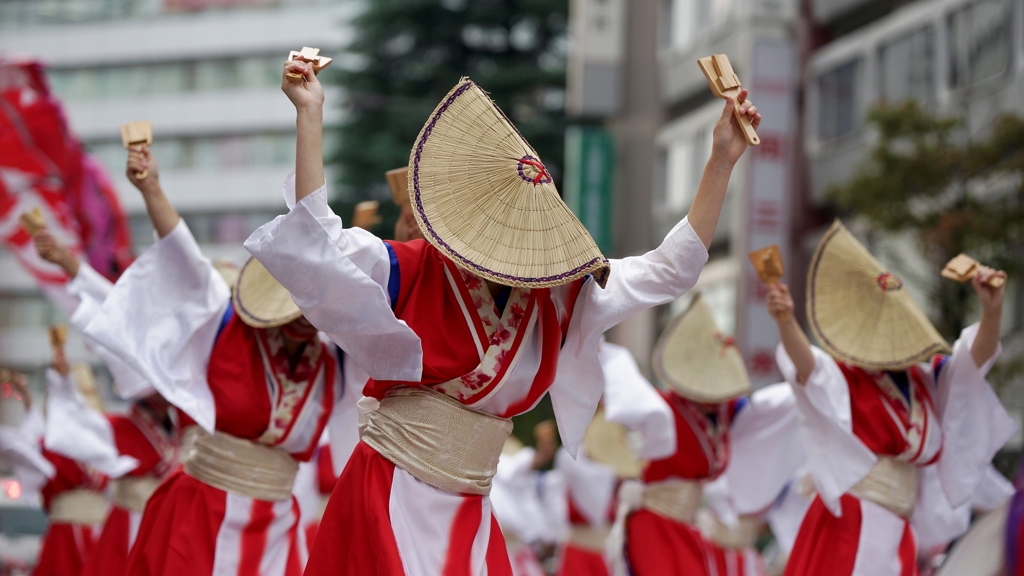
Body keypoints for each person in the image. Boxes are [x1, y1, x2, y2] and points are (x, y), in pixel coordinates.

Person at [243, 60, 760, 575]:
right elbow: (318, 243)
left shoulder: (561, 294)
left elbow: (669, 271)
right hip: (392, 491)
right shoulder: (414, 268)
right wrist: (309, 114)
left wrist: (721, 160)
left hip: (471, 507)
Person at [80, 141, 364, 576]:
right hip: (200, 512)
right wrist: (152, 189)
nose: (309, 317)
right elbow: (186, 265)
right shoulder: (226, 328)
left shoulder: (333, 362)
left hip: (276, 524)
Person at [766, 220, 1015, 576]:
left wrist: (992, 311)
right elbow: (808, 367)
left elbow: (971, 364)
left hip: (898, 525)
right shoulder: (845, 376)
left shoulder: (924, 381)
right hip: (852, 520)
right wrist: (786, 321)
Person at [609, 294, 802, 576]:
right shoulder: (662, 408)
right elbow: (619, 378)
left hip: (688, 527)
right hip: (655, 526)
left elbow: (776, 405)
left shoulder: (723, 413)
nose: (720, 395)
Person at [33, 227, 184, 576]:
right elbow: (70, 420)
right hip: (124, 528)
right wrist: (61, 382)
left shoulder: (187, 420)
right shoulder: (114, 427)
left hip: (168, 527)